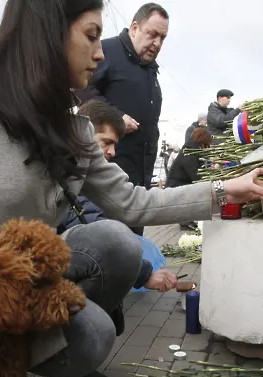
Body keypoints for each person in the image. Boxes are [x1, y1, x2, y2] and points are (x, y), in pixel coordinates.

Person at [0, 0, 263, 377]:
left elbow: (132, 203)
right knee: (94, 334)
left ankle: (54, 355)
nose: (99, 52)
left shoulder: (75, 129)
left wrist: (223, 191)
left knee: (118, 241)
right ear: (47, 37)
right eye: (92, 36)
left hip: (42, 267)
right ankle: (9, 357)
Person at [60, 99, 179, 294]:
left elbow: (133, 201)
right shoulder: (68, 172)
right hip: (47, 269)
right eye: (106, 142)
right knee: (100, 325)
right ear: (84, 133)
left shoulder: (84, 169)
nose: (113, 152)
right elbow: (93, 228)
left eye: (115, 145)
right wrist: (143, 273)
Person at [78, 3, 170, 236]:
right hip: (109, 169)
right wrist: (117, 117)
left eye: (163, 38)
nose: (157, 43)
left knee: (134, 238)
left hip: (141, 172)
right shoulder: (106, 51)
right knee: (110, 237)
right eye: (152, 34)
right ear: (134, 28)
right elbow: (81, 88)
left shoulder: (150, 69)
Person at [167, 127, 212, 230]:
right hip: (176, 186)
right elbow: (195, 175)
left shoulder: (190, 150)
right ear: (201, 142)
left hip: (179, 183)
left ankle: (187, 220)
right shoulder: (188, 153)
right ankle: (185, 221)